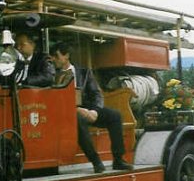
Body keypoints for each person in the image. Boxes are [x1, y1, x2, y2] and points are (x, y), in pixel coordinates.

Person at [49, 42, 133, 173]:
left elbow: (96, 94)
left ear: (66, 56)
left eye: (56, 56)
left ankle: (118, 159)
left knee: (115, 115)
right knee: (78, 119)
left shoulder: (84, 72)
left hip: (88, 108)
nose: (53, 59)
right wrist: (75, 109)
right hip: (66, 113)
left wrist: (94, 111)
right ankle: (96, 160)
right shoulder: (52, 75)